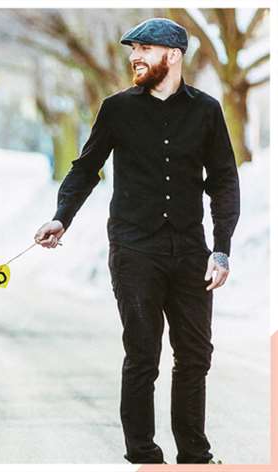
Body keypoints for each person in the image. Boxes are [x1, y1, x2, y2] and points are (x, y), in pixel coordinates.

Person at [34, 18, 239, 464]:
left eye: (145, 48)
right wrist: (61, 218)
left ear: (173, 55)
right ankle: (144, 455)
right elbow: (87, 168)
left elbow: (224, 181)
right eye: (134, 49)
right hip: (134, 250)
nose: (135, 57)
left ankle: (194, 456)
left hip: (190, 253)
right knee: (143, 355)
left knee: (195, 356)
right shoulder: (117, 109)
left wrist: (221, 248)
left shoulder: (205, 111)